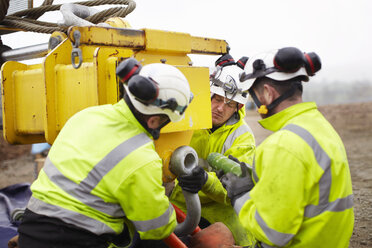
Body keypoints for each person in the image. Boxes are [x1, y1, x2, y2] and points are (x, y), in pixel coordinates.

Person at [17, 58, 207, 248]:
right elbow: (156, 228)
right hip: (76, 241)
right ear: (154, 121)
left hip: (31, 230)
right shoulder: (141, 158)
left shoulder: (86, 115)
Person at [221, 47, 354, 247]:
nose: (255, 104)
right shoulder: (322, 127)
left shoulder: (282, 146)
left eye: (253, 95)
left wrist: (241, 196)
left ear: (267, 93)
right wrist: (257, 181)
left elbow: (272, 232)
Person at [170, 54, 256, 246]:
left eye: (229, 103)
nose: (219, 108)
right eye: (216, 98)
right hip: (179, 205)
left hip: (219, 216)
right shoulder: (188, 119)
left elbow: (236, 187)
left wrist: (204, 180)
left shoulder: (242, 137)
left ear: (238, 107)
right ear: (208, 95)